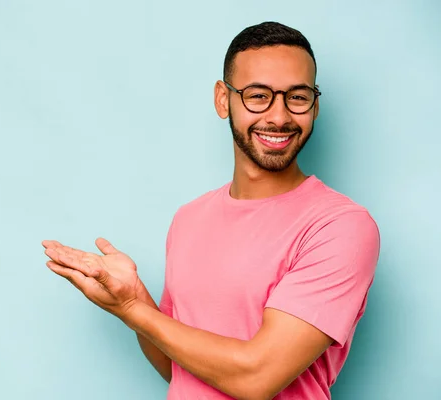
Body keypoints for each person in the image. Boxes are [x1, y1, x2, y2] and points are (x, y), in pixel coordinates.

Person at [42, 21, 380, 400]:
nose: (280, 116)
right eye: (258, 95)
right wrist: (136, 301)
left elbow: (257, 377)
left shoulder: (340, 227)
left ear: (315, 105)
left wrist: (134, 310)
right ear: (224, 99)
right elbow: (176, 366)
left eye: (297, 97)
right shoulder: (189, 219)